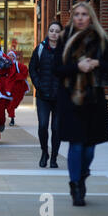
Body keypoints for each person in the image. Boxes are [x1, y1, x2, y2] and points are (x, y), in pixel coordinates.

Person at [53, 2, 108, 206]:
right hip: (71, 100)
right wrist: (77, 66)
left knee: (89, 149)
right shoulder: (64, 39)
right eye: (77, 15)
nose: (80, 18)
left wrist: (97, 63)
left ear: (91, 17)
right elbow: (57, 69)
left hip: (93, 100)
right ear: (72, 18)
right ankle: (76, 186)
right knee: (76, 145)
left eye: (84, 14)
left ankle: (83, 174)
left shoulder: (101, 40)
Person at [29, 21, 62, 168]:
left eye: (57, 31)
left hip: (60, 97)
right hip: (43, 96)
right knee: (43, 126)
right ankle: (44, 152)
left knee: (56, 128)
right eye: (51, 30)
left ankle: (54, 157)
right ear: (48, 32)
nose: (54, 33)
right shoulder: (41, 48)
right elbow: (32, 68)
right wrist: (38, 84)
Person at [6, 50, 30, 127]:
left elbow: (25, 73)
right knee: (10, 105)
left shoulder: (20, 66)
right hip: (7, 88)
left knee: (13, 104)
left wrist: (15, 77)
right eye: (9, 55)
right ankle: (12, 119)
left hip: (17, 89)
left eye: (12, 56)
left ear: (15, 57)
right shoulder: (5, 66)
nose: (11, 57)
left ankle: (11, 117)